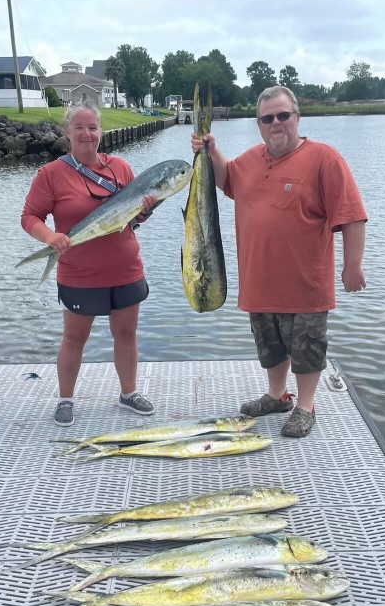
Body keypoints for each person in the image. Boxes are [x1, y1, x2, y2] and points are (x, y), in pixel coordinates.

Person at [190, 85, 367, 439]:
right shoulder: (250, 159)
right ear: (259, 124)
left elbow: (352, 216)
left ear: (297, 118)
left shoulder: (324, 159)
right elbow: (225, 180)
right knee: (269, 345)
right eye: (267, 118)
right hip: (259, 280)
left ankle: (306, 405)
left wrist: (353, 265)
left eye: (283, 116)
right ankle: (276, 396)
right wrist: (211, 152)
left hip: (306, 285)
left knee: (306, 348)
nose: (276, 123)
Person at [21, 99, 157, 426]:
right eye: (79, 127)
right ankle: (66, 398)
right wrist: (50, 237)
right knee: (74, 338)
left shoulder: (120, 168)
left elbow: (131, 218)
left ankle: (128, 393)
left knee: (126, 334)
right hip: (79, 273)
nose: (86, 133)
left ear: (101, 132)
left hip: (126, 268)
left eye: (92, 127)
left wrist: (145, 211)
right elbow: (30, 217)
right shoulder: (51, 174)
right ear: (67, 132)